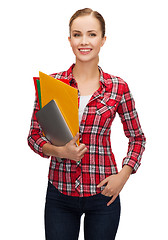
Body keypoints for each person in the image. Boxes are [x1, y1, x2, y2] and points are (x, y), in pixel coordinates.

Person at [27, 8, 146, 240]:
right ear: (69, 39)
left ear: (103, 39)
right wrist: (59, 151)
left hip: (103, 193)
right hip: (60, 193)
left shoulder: (118, 87)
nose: (84, 41)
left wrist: (123, 176)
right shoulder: (52, 84)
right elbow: (34, 136)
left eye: (91, 34)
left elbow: (137, 138)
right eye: (77, 34)